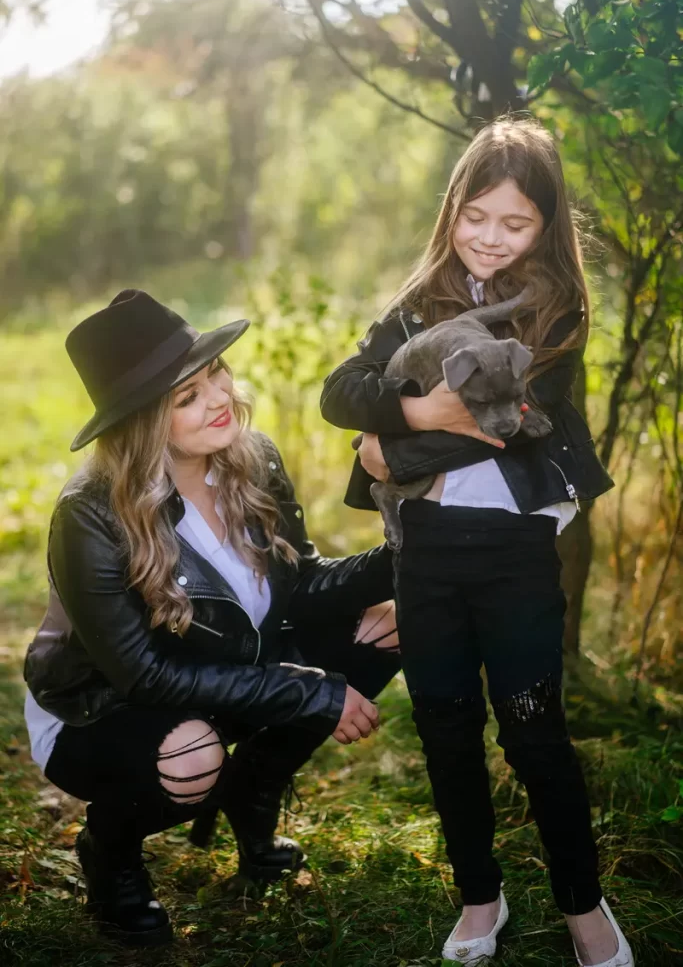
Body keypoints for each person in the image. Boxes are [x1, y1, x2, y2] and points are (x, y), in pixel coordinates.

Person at [320, 118, 633, 967]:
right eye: (476, 216)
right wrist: (413, 409)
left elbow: (509, 425)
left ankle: (581, 902)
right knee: (445, 727)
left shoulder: (554, 314)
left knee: (533, 732)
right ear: (451, 210)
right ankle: (478, 895)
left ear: (545, 226)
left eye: (515, 223)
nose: (491, 238)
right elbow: (340, 393)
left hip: (513, 553)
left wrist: (389, 451)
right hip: (424, 550)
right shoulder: (416, 303)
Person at [23, 289, 400, 948]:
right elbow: (142, 675)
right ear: (142, 420)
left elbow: (301, 586)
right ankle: (110, 849)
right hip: (104, 707)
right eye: (188, 396)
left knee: (389, 622)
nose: (221, 396)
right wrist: (311, 691)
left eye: (216, 373)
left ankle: (252, 789)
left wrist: (404, 548)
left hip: (227, 667)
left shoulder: (252, 458)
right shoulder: (91, 513)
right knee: (192, 755)